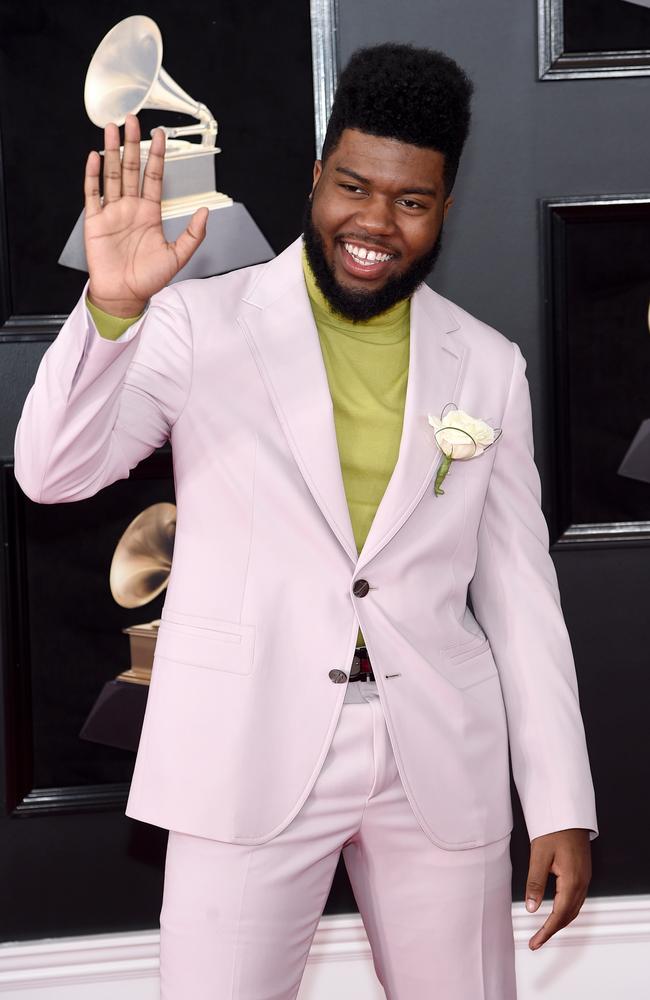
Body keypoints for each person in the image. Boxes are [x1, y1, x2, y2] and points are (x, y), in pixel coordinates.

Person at [14, 43, 597, 1000]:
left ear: (444, 210)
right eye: (354, 188)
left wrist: (562, 802)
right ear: (315, 177)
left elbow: (524, 600)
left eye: (410, 202)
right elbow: (49, 474)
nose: (375, 222)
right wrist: (113, 308)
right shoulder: (201, 323)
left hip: (438, 757)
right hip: (243, 747)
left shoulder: (487, 365)